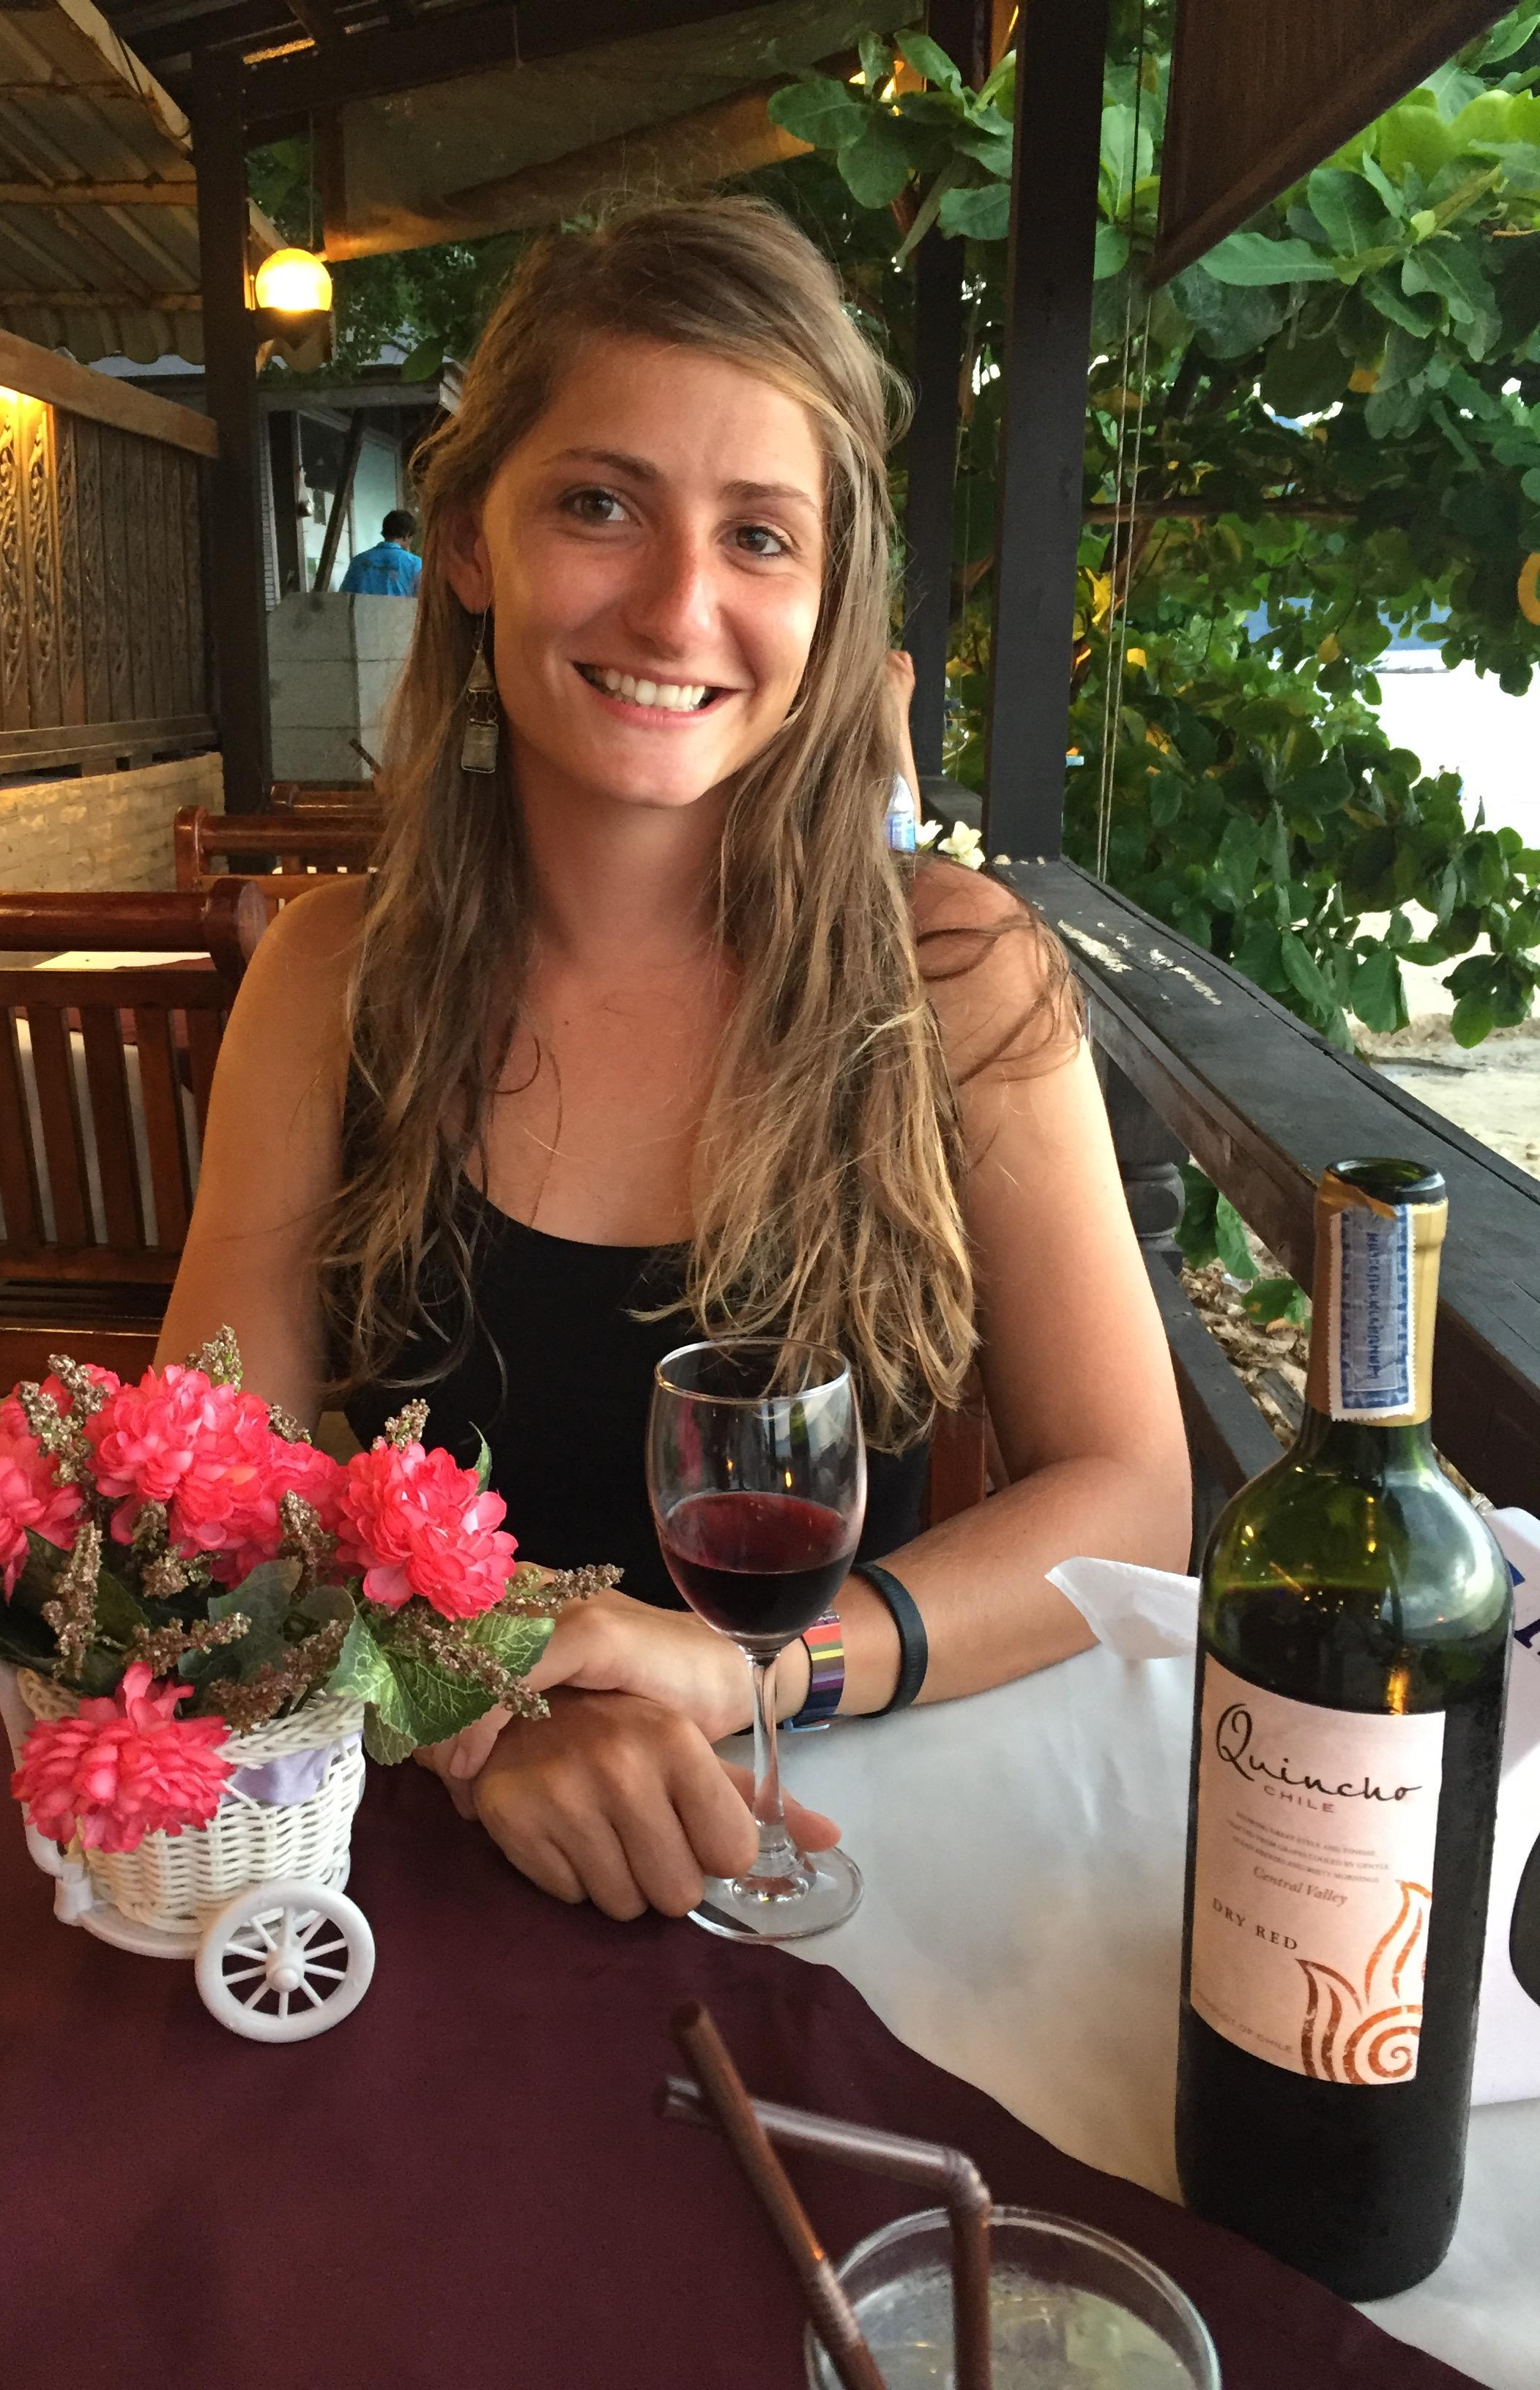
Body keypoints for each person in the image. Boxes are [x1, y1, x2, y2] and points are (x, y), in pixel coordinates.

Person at [159, 198, 1191, 1923]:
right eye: (598, 504)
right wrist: (486, 1708)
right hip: (426, 1847)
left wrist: (752, 1669)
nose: (676, 604)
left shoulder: (953, 974)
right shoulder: (333, 981)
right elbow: (207, 1493)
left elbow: (1128, 1495)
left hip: (839, 1849)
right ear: (469, 539)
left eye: (759, 536)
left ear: (826, 598)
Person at [341, 507, 423, 595]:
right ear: (407, 535)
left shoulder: (358, 560)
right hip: (400, 605)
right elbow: (422, 597)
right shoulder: (415, 563)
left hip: (362, 605)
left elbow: (344, 596)